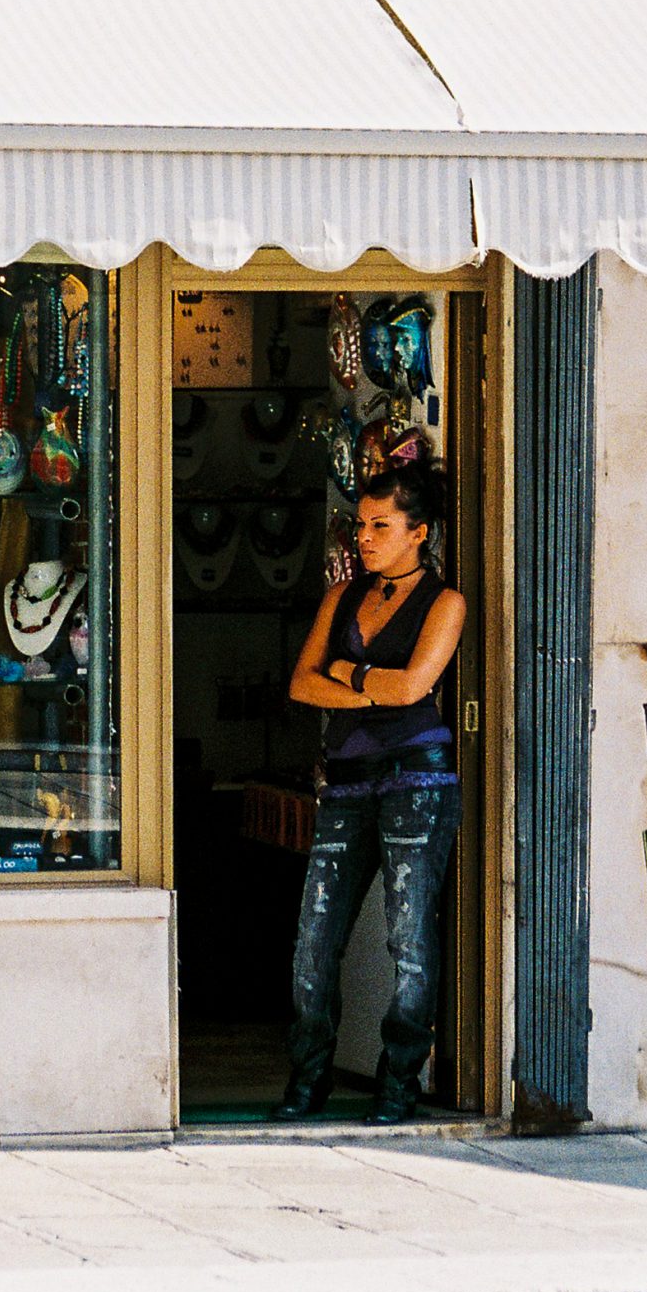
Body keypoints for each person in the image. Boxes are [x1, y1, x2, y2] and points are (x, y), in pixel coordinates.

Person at [276, 458, 466, 1125]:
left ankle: (398, 1082)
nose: (364, 537)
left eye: (381, 525)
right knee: (314, 937)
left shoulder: (444, 601)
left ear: (419, 531)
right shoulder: (342, 596)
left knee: (408, 938)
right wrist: (370, 688)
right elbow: (301, 684)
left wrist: (346, 672)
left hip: (418, 781)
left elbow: (413, 687)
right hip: (347, 780)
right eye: (360, 525)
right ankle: (308, 1078)